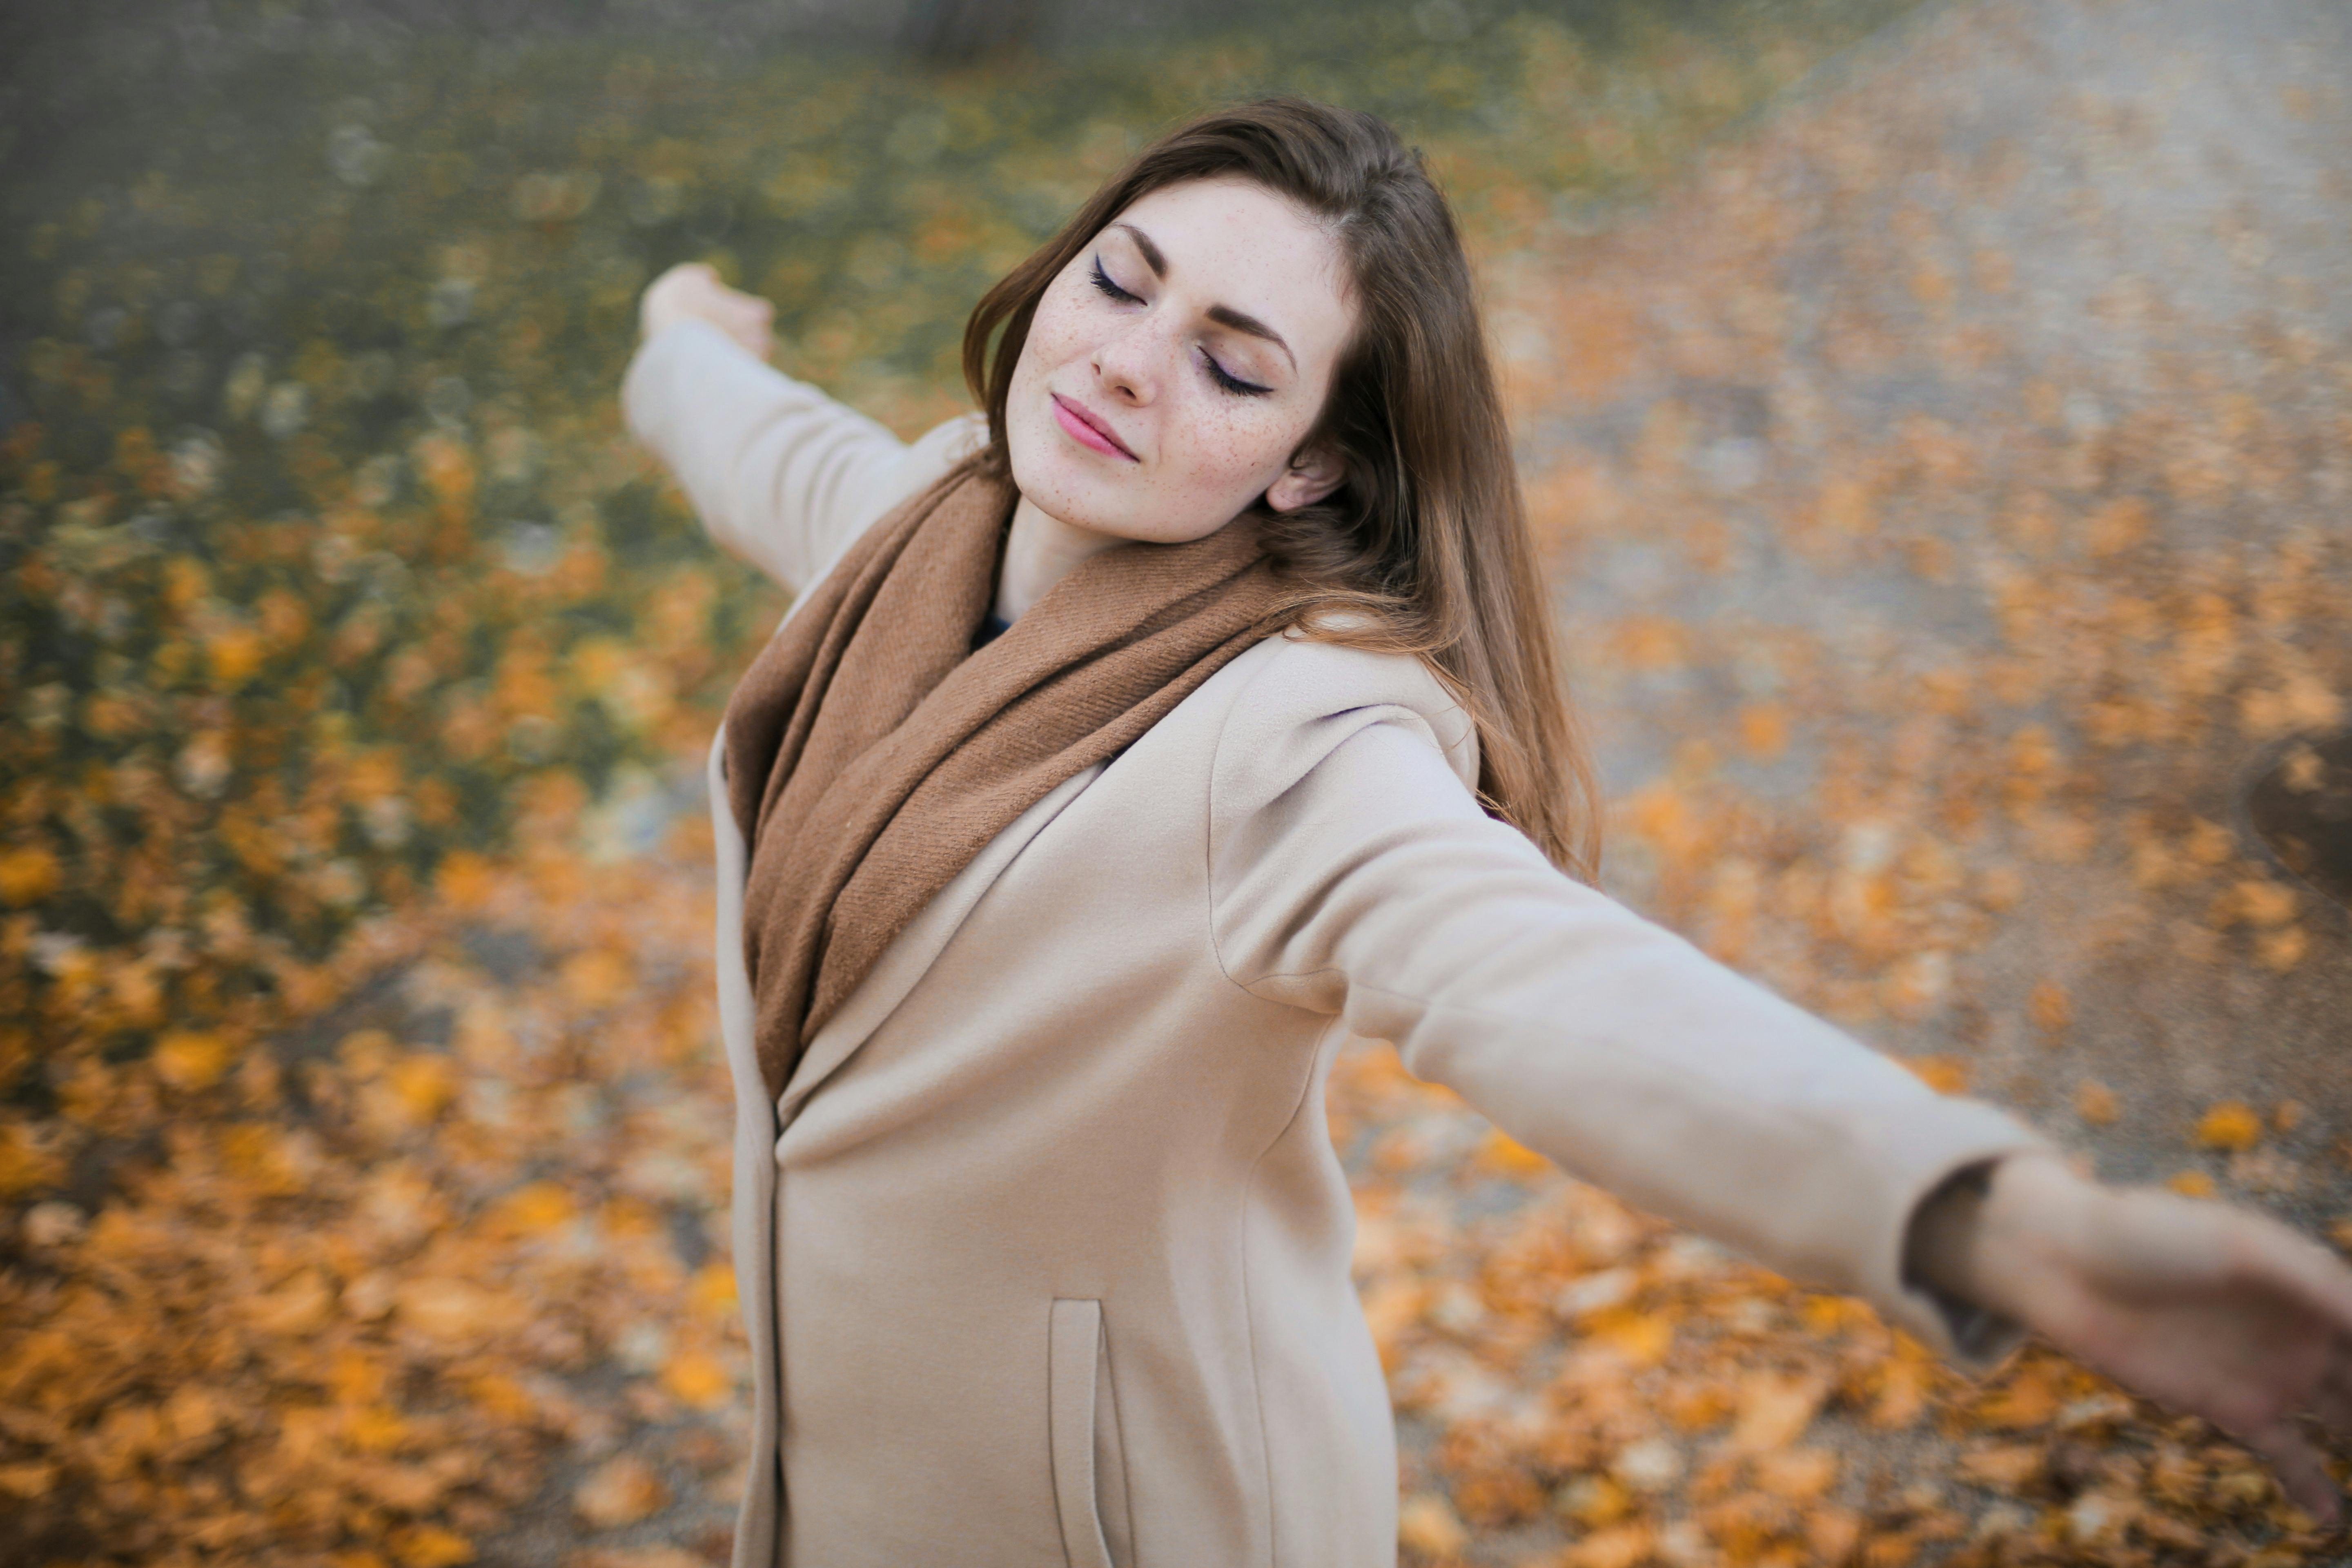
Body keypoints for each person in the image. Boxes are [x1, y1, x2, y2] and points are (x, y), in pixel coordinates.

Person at [621, 98, 2352, 1568]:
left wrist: (1998, 1224)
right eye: (1120, 281)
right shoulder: (917, 522)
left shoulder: (1295, 737)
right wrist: (682, 338)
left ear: (1309, 465)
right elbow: (765, 447)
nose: (1126, 369)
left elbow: (1547, 986)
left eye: (1234, 366)